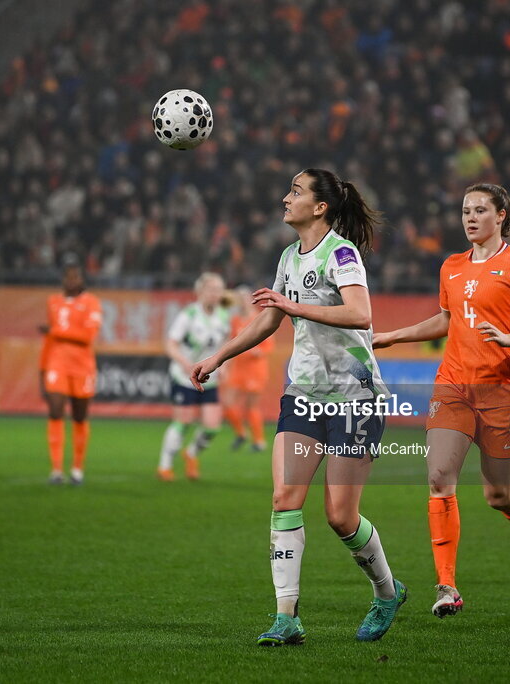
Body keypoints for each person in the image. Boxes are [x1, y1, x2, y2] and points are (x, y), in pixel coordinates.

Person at [191, 168, 407, 646]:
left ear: (320, 206)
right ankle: (286, 618)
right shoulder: (289, 257)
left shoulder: (342, 254)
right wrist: (219, 356)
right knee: (284, 500)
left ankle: (387, 591)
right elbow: (269, 319)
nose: (285, 198)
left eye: (295, 191)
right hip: (304, 397)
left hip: (356, 400)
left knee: (340, 517)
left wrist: (296, 308)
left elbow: (361, 314)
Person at [373, 183, 510, 619]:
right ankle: (447, 586)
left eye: (479, 210)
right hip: (453, 386)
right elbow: (447, 320)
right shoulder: (451, 266)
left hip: (503, 392)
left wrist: (509, 338)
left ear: (501, 216)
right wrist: (396, 335)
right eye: (465, 211)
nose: (470, 217)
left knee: (497, 494)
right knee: (439, 477)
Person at [158, 272, 231, 481]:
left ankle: (191, 454)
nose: (216, 294)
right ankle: (165, 465)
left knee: (212, 427)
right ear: (200, 291)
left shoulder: (224, 316)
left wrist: (224, 365)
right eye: (212, 289)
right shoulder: (188, 315)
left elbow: (226, 345)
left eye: (219, 290)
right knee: (184, 421)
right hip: (184, 377)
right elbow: (170, 344)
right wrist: (184, 363)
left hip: (210, 379)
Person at [44, 258, 102, 485]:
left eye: (75, 276)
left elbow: (88, 336)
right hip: (57, 363)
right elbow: (50, 340)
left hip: (83, 366)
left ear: (82, 280)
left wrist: (56, 331)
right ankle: (56, 470)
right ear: (62, 279)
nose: (71, 280)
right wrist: (42, 368)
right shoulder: (53, 302)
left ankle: (77, 469)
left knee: (79, 415)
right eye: (68, 276)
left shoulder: (91, 303)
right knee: (55, 410)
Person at [223, 285, 275, 452]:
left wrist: (257, 350)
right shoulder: (235, 321)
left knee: (250, 406)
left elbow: (269, 346)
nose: (243, 301)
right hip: (238, 368)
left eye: (245, 298)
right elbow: (229, 343)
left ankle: (259, 441)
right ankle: (241, 433)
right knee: (228, 402)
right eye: (240, 298)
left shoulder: (259, 318)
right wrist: (224, 364)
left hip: (255, 369)